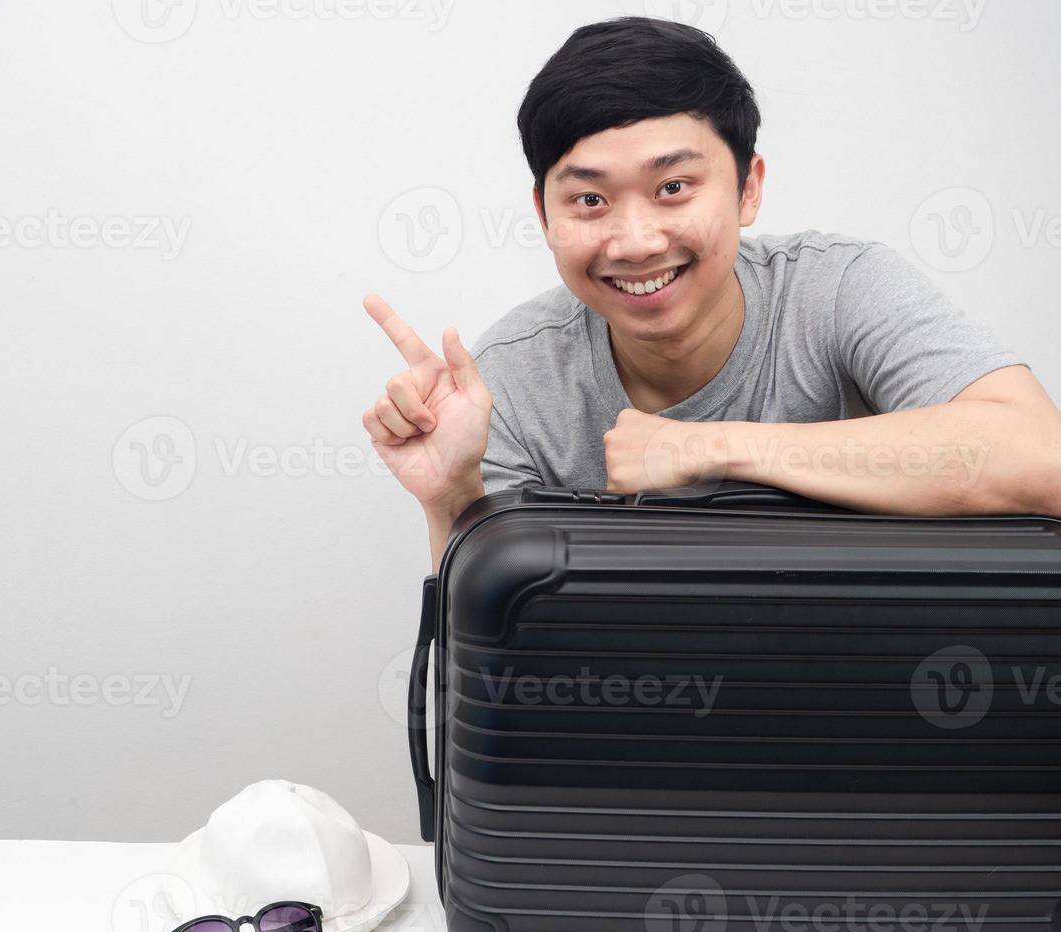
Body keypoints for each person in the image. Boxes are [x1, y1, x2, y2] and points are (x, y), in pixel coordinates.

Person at [361, 16, 1061, 575]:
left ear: (748, 187)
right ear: (545, 216)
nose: (634, 241)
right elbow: (493, 672)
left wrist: (709, 448)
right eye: (590, 199)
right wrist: (450, 498)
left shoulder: (841, 288)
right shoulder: (511, 380)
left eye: (672, 188)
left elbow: (1040, 462)